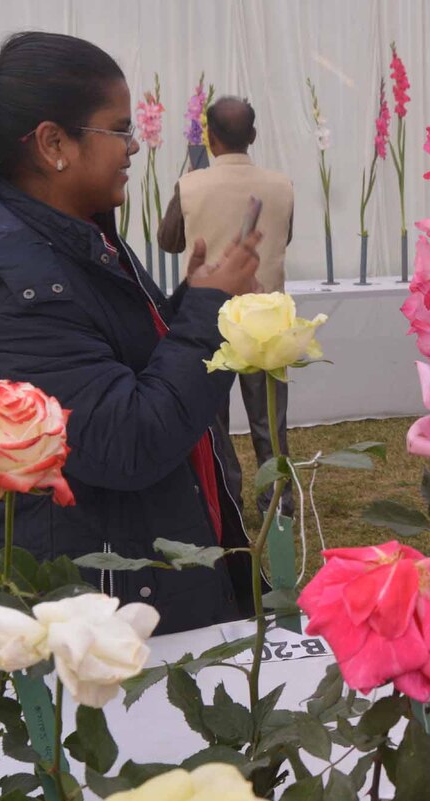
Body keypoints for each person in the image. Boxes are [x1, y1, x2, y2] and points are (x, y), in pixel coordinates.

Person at [0, 31, 265, 634]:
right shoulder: (17, 285)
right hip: (98, 605)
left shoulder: (72, 235)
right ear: (54, 143)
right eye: (118, 130)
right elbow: (127, 441)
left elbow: (127, 364)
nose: (132, 149)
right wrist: (208, 311)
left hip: (132, 567)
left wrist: (186, 303)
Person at [159, 96, 297, 514]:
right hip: (265, 320)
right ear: (253, 136)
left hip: (209, 318)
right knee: (269, 422)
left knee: (212, 423)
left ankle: (225, 499)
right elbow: (283, 238)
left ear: (209, 136)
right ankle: (278, 502)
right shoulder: (281, 185)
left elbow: (169, 242)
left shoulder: (190, 184)